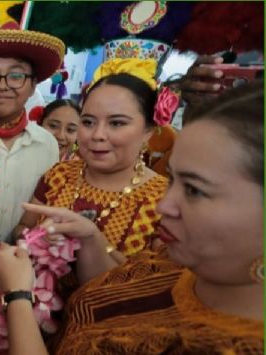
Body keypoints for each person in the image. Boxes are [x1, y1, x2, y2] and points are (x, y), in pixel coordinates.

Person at [0, 81, 264, 355]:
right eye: (89, 121)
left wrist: (19, 296)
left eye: (194, 189)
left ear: (149, 131)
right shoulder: (176, 261)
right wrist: (88, 238)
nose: (166, 205)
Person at [13, 67, 170, 294]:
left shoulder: (164, 199)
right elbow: (23, 227)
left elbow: (155, 289)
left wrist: (93, 241)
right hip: (29, 312)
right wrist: (35, 240)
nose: (97, 135)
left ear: (148, 131)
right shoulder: (59, 174)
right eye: (88, 122)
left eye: (116, 123)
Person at [0, 24, 63, 243]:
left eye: (16, 76)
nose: (2, 85)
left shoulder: (47, 145)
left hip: (20, 265)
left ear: (34, 85)